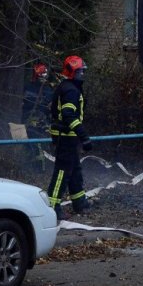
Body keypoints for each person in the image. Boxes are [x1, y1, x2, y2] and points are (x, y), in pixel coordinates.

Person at [46, 55, 93, 215]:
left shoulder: (67, 86)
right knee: (62, 171)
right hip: (66, 137)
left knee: (75, 170)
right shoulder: (71, 90)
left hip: (67, 137)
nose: (83, 74)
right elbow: (68, 115)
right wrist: (84, 137)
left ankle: (80, 202)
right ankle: (53, 206)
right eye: (81, 71)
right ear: (73, 72)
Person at [21, 63, 54, 140]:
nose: (44, 76)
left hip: (42, 123)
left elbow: (50, 107)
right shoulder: (27, 87)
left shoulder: (48, 90)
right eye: (42, 74)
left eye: (45, 74)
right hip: (26, 120)